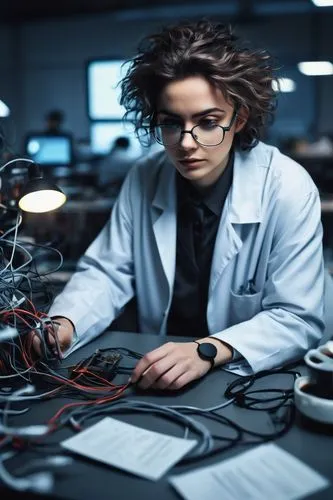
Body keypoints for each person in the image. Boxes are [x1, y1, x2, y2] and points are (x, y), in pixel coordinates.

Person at [34, 19, 325, 391]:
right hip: (158, 373)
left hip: (248, 376)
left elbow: (298, 318)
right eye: (171, 123)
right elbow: (108, 272)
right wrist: (66, 321)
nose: (186, 143)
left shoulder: (286, 186)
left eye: (207, 122)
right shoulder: (145, 177)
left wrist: (208, 350)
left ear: (239, 119)